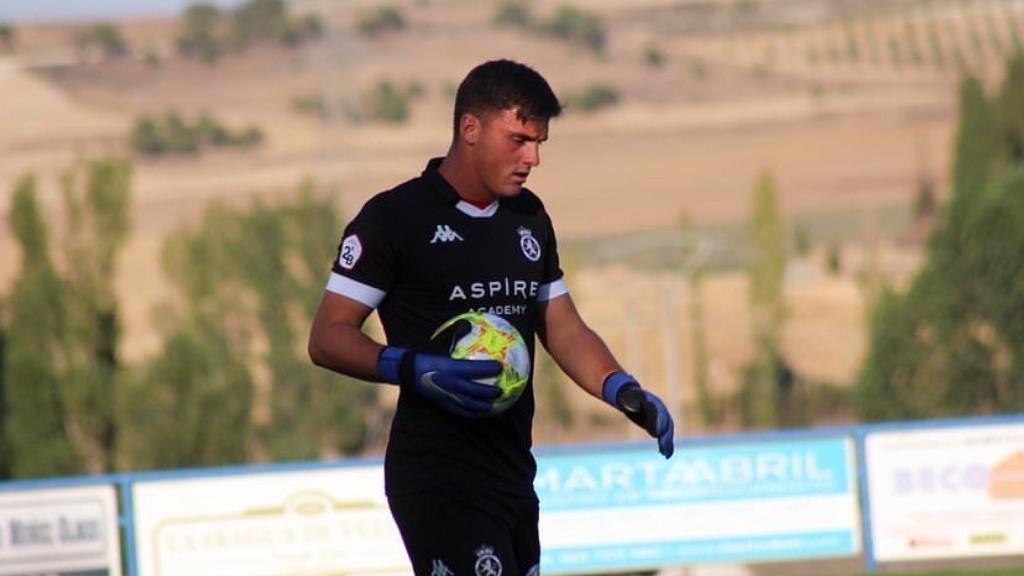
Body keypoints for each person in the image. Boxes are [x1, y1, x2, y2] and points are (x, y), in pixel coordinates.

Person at [308, 59, 674, 575]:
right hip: (437, 474)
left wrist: (619, 388)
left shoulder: (528, 218)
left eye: (541, 142)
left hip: (512, 471)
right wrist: (412, 368)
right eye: (520, 139)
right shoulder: (394, 220)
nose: (534, 158)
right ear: (470, 128)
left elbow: (562, 326)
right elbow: (327, 337)